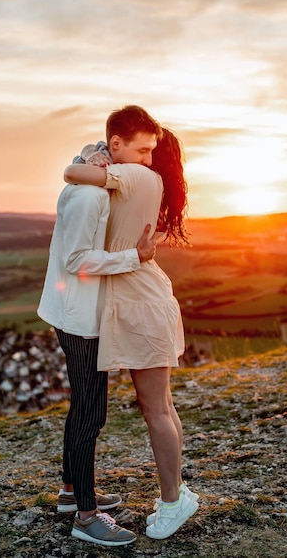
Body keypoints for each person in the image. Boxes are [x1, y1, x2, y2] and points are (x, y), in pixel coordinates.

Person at [64, 127, 199, 540]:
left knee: (155, 409)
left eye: (147, 150)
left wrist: (88, 161)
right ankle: (177, 495)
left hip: (140, 304)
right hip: (144, 298)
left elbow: (73, 173)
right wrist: (99, 152)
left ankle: (173, 502)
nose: (140, 155)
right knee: (163, 406)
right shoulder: (149, 181)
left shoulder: (139, 177)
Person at [37, 105, 162, 547]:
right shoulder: (90, 194)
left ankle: (72, 495)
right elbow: (76, 261)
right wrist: (136, 258)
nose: (147, 161)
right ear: (116, 145)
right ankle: (86, 518)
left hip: (82, 312)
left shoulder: (99, 172)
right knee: (90, 413)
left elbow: (90, 158)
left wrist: (93, 155)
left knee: (86, 410)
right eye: (143, 151)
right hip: (80, 317)